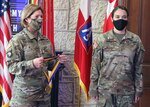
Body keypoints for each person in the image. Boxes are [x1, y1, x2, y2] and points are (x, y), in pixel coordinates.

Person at [6, 4, 67, 107]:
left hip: (43, 95)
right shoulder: (17, 40)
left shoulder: (45, 40)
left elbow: (49, 65)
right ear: (27, 20)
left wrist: (58, 62)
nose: (40, 19)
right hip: (24, 98)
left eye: (41, 17)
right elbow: (11, 67)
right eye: (36, 17)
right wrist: (32, 64)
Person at [89, 5, 145, 107]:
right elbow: (95, 66)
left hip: (127, 92)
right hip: (105, 91)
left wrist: (139, 89)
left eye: (124, 17)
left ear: (127, 18)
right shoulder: (102, 39)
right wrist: (93, 88)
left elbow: (138, 67)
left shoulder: (135, 40)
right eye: (117, 17)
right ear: (112, 19)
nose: (121, 19)